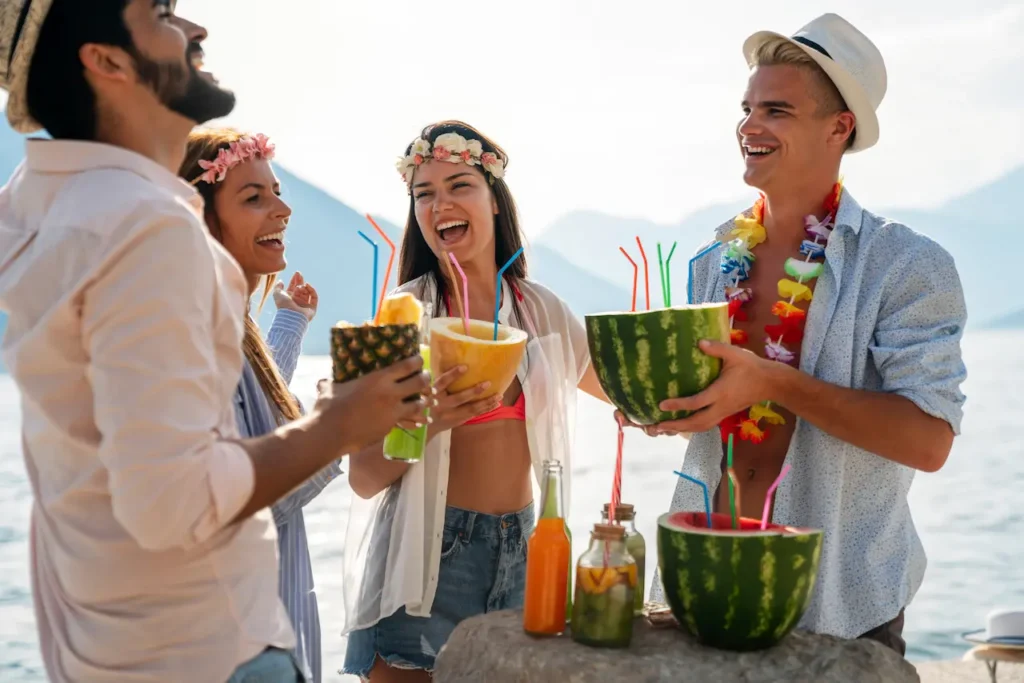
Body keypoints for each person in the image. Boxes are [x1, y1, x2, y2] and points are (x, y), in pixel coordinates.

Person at [0, 2, 430, 681]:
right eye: (162, 14)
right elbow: (173, 498)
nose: (195, 30)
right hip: (214, 652)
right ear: (107, 60)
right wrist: (342, 422)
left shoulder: (38, 206)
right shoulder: (146, 227)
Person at [632, 14, 968, 656]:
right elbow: (711, 406)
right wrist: (662, 405)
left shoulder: (906, 265)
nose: (749, 127)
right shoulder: (714, 262)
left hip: (842, 599)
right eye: (747, 108)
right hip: (703, 580)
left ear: (838, 128)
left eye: (777, 110)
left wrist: (775, 383)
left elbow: (929, 441)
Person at [341, 120, 608, 681]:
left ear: (494, 200)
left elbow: (627, 395)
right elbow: (364, 476)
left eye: (459, 185)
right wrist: (431, 421)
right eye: (423, 194)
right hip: (429, 554)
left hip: (526, 548)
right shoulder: (400, 318)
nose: (440, 205)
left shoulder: (541, 313)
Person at [180, 128, 339, 683]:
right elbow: (238, 514)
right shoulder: (201, 335)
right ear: (201, 220)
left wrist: (291, 323)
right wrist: (335, 428)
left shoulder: (230, 322)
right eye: (254, 197)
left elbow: (260, 405)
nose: (285, 208)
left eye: (276, 190)